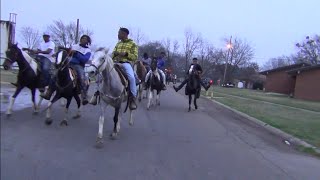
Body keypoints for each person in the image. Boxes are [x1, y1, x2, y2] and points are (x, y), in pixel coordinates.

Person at [41, 35, 92, 105]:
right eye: (82, 38)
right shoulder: (74, 46)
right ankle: (48, 93)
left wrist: (77, 53)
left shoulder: (88, 50)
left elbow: (84, 59)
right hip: (68, 63)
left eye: (85, 39)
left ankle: (84, 96)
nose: (83, 40)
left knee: (82, 77)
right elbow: (68, 54)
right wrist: (66, 50)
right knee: (55, 73)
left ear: (87, 41)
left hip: (78, 66)